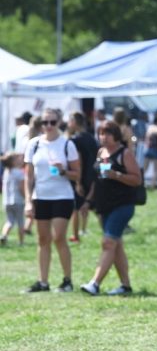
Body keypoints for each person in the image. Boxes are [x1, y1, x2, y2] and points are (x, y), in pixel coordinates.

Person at [80, 120, 141, 296]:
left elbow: (137, 179)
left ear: (116, 135)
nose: (103, 137)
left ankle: (95, 283)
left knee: (108, 243)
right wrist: (87, 201)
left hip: (122, 205)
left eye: (107, 133)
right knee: (116, 245)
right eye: (101, 133)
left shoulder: (125, 153)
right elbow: (97, 181)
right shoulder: (101, 152)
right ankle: (125, 286)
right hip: (103, 205)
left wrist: (117, 175)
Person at [23, 108, 81, 292]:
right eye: (45, 122)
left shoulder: (67, 144)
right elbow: (29, 176)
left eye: (52, 122)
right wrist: (28, 200)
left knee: (59, 238)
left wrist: (63, 170)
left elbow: (77, 175)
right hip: (41, 196)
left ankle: (67, 280)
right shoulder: (34, 144)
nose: (48, 126)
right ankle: (43, 281)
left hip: (62, 197)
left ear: (59, 123)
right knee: (42, 239)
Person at [67, 111, 99, 243]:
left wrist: (77, 182)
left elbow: (78, 161)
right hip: (91, 174)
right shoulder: (92, 138)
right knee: (86, 203)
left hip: (80, 175)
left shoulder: (75, 141)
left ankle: (75, 235)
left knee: (76, 207)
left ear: (74, 122)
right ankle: (83, 229)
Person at [1, 152, 26, 246]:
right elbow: (22, 188)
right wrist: (27, 198)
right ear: (14, 162)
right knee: (21, 222)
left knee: (10, 221)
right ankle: (21, 242)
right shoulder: (19, 173)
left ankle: (3, 236)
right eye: (18, 158)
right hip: (18, 200)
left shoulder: (6, 172)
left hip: (6, 201)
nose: (21, 159)